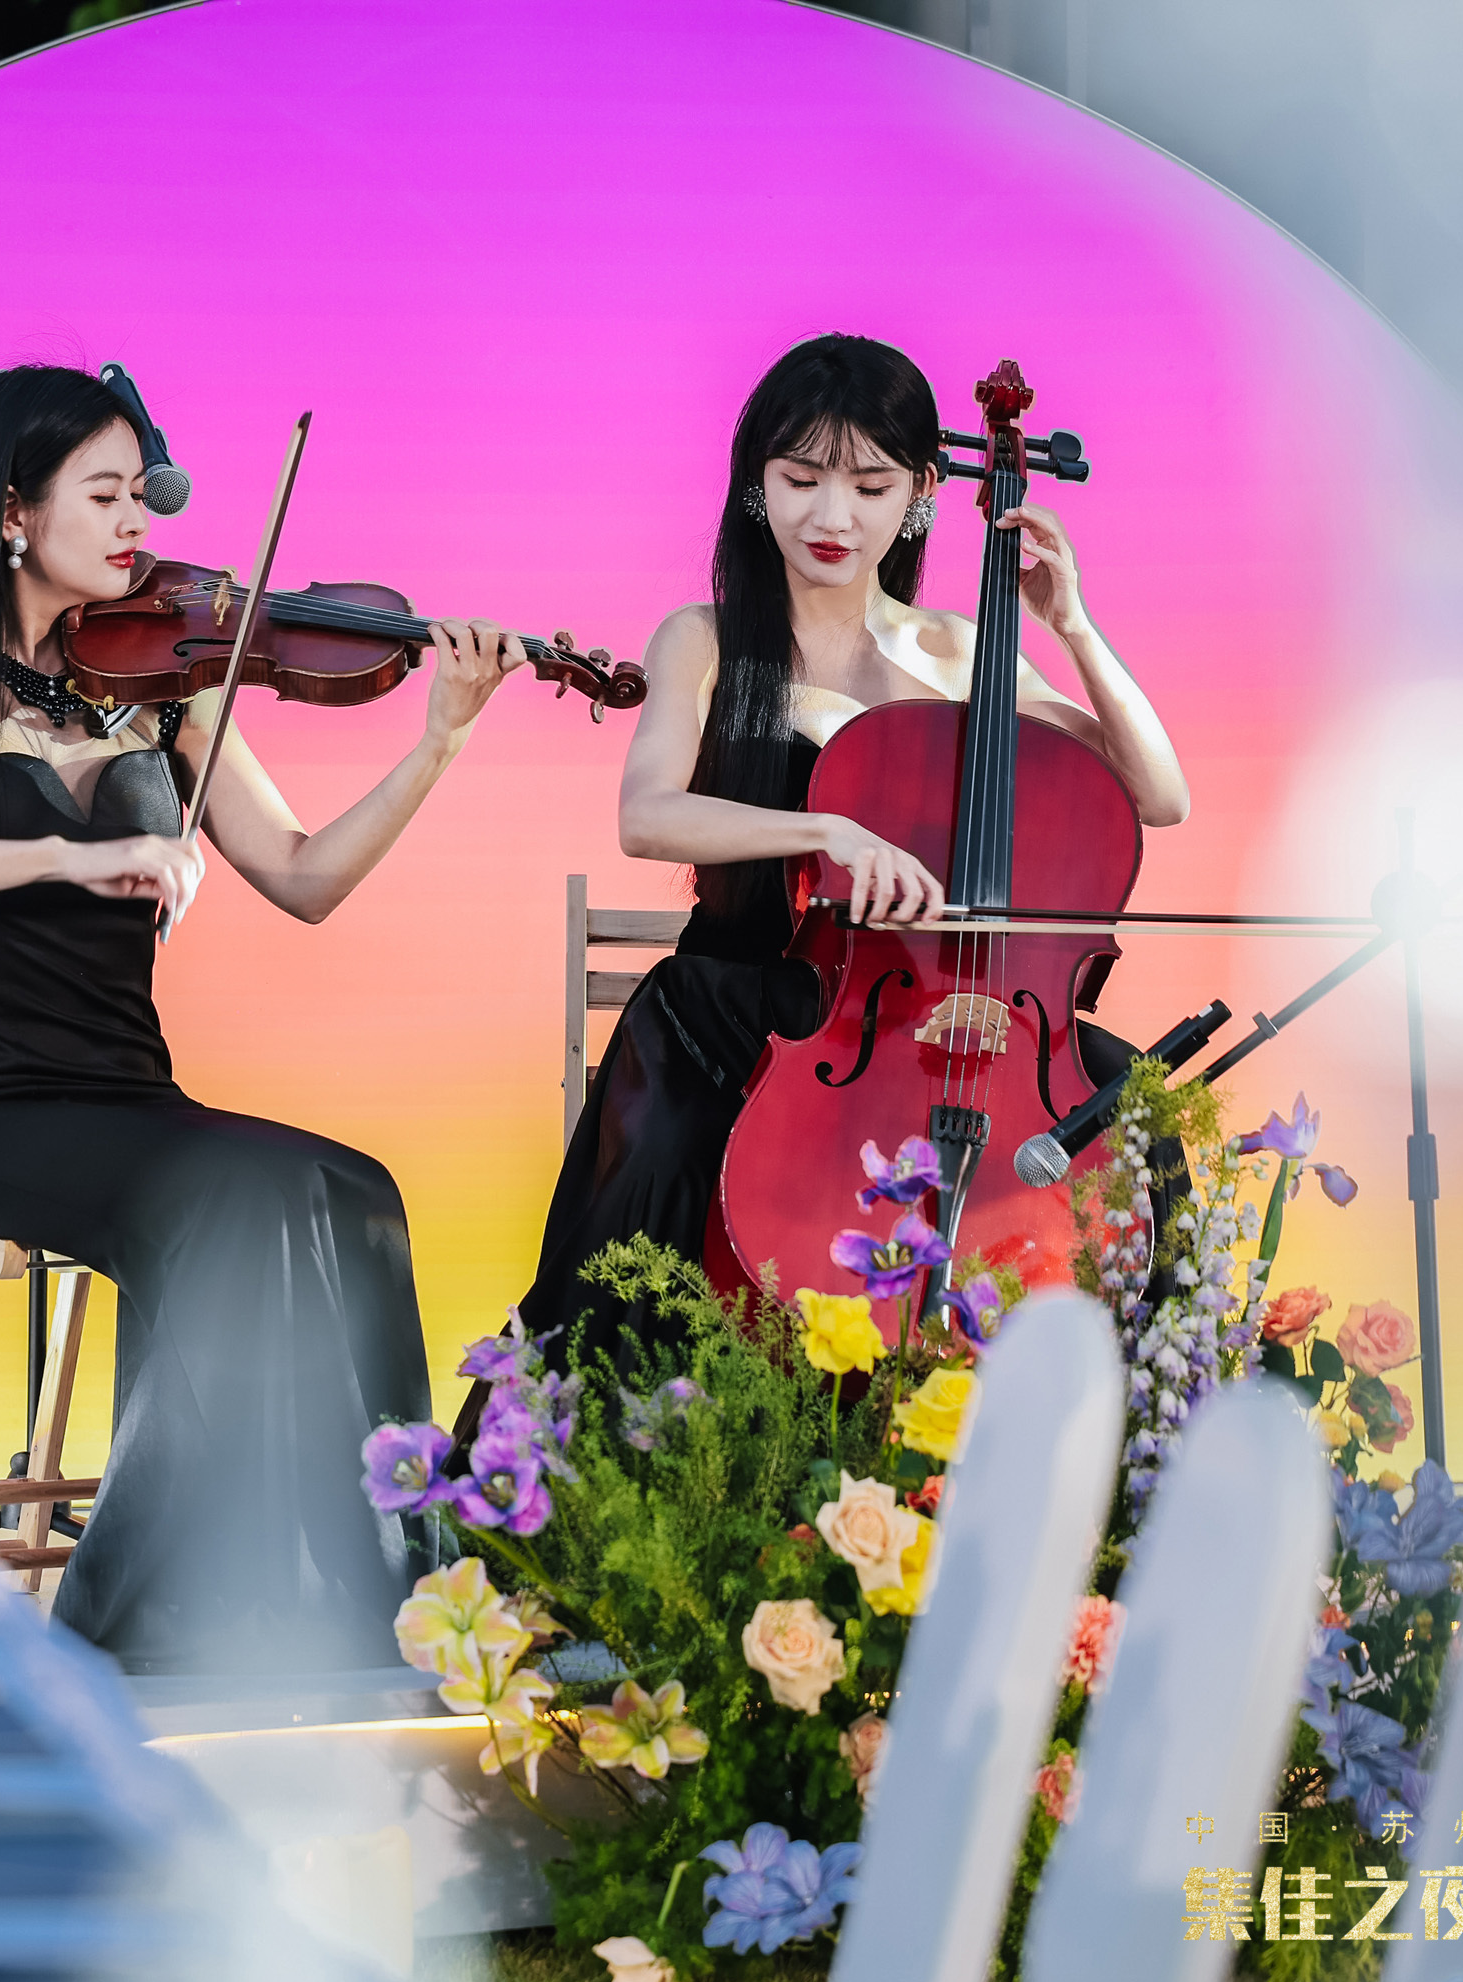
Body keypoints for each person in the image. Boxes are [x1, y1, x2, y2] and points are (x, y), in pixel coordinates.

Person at [0, 364, 528, 1674]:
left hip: (132, 1102)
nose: (137, 520)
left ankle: (385, 1591)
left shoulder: (168, 686)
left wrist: (438, 740)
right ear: (13, 513)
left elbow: (305, 876)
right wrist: (64, 857)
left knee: (355, 1188)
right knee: (231, 1199)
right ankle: (115, 1627)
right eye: (103, 495)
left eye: (141, 493)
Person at [507, 333, 1190, 1374]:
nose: (833, 518)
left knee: (1137, 1118)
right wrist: (825, 830)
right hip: (742, 1007)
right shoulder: (706, 639)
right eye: (801, 480)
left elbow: (1159, 795)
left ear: (920, 492)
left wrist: (1076, 627)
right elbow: (647, 816)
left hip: (930, 1020)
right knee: (661, 1149)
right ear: (757, 483)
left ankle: (1119, 1420)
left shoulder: (958, 650)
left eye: (870, 487)